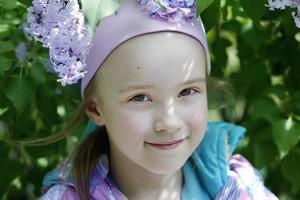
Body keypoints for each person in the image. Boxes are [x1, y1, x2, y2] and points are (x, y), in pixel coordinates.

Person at [25, 0, 279, 199]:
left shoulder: (237, 185)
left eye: (187, 92)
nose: (169, 122)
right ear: (95, 107)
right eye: (140, 97)